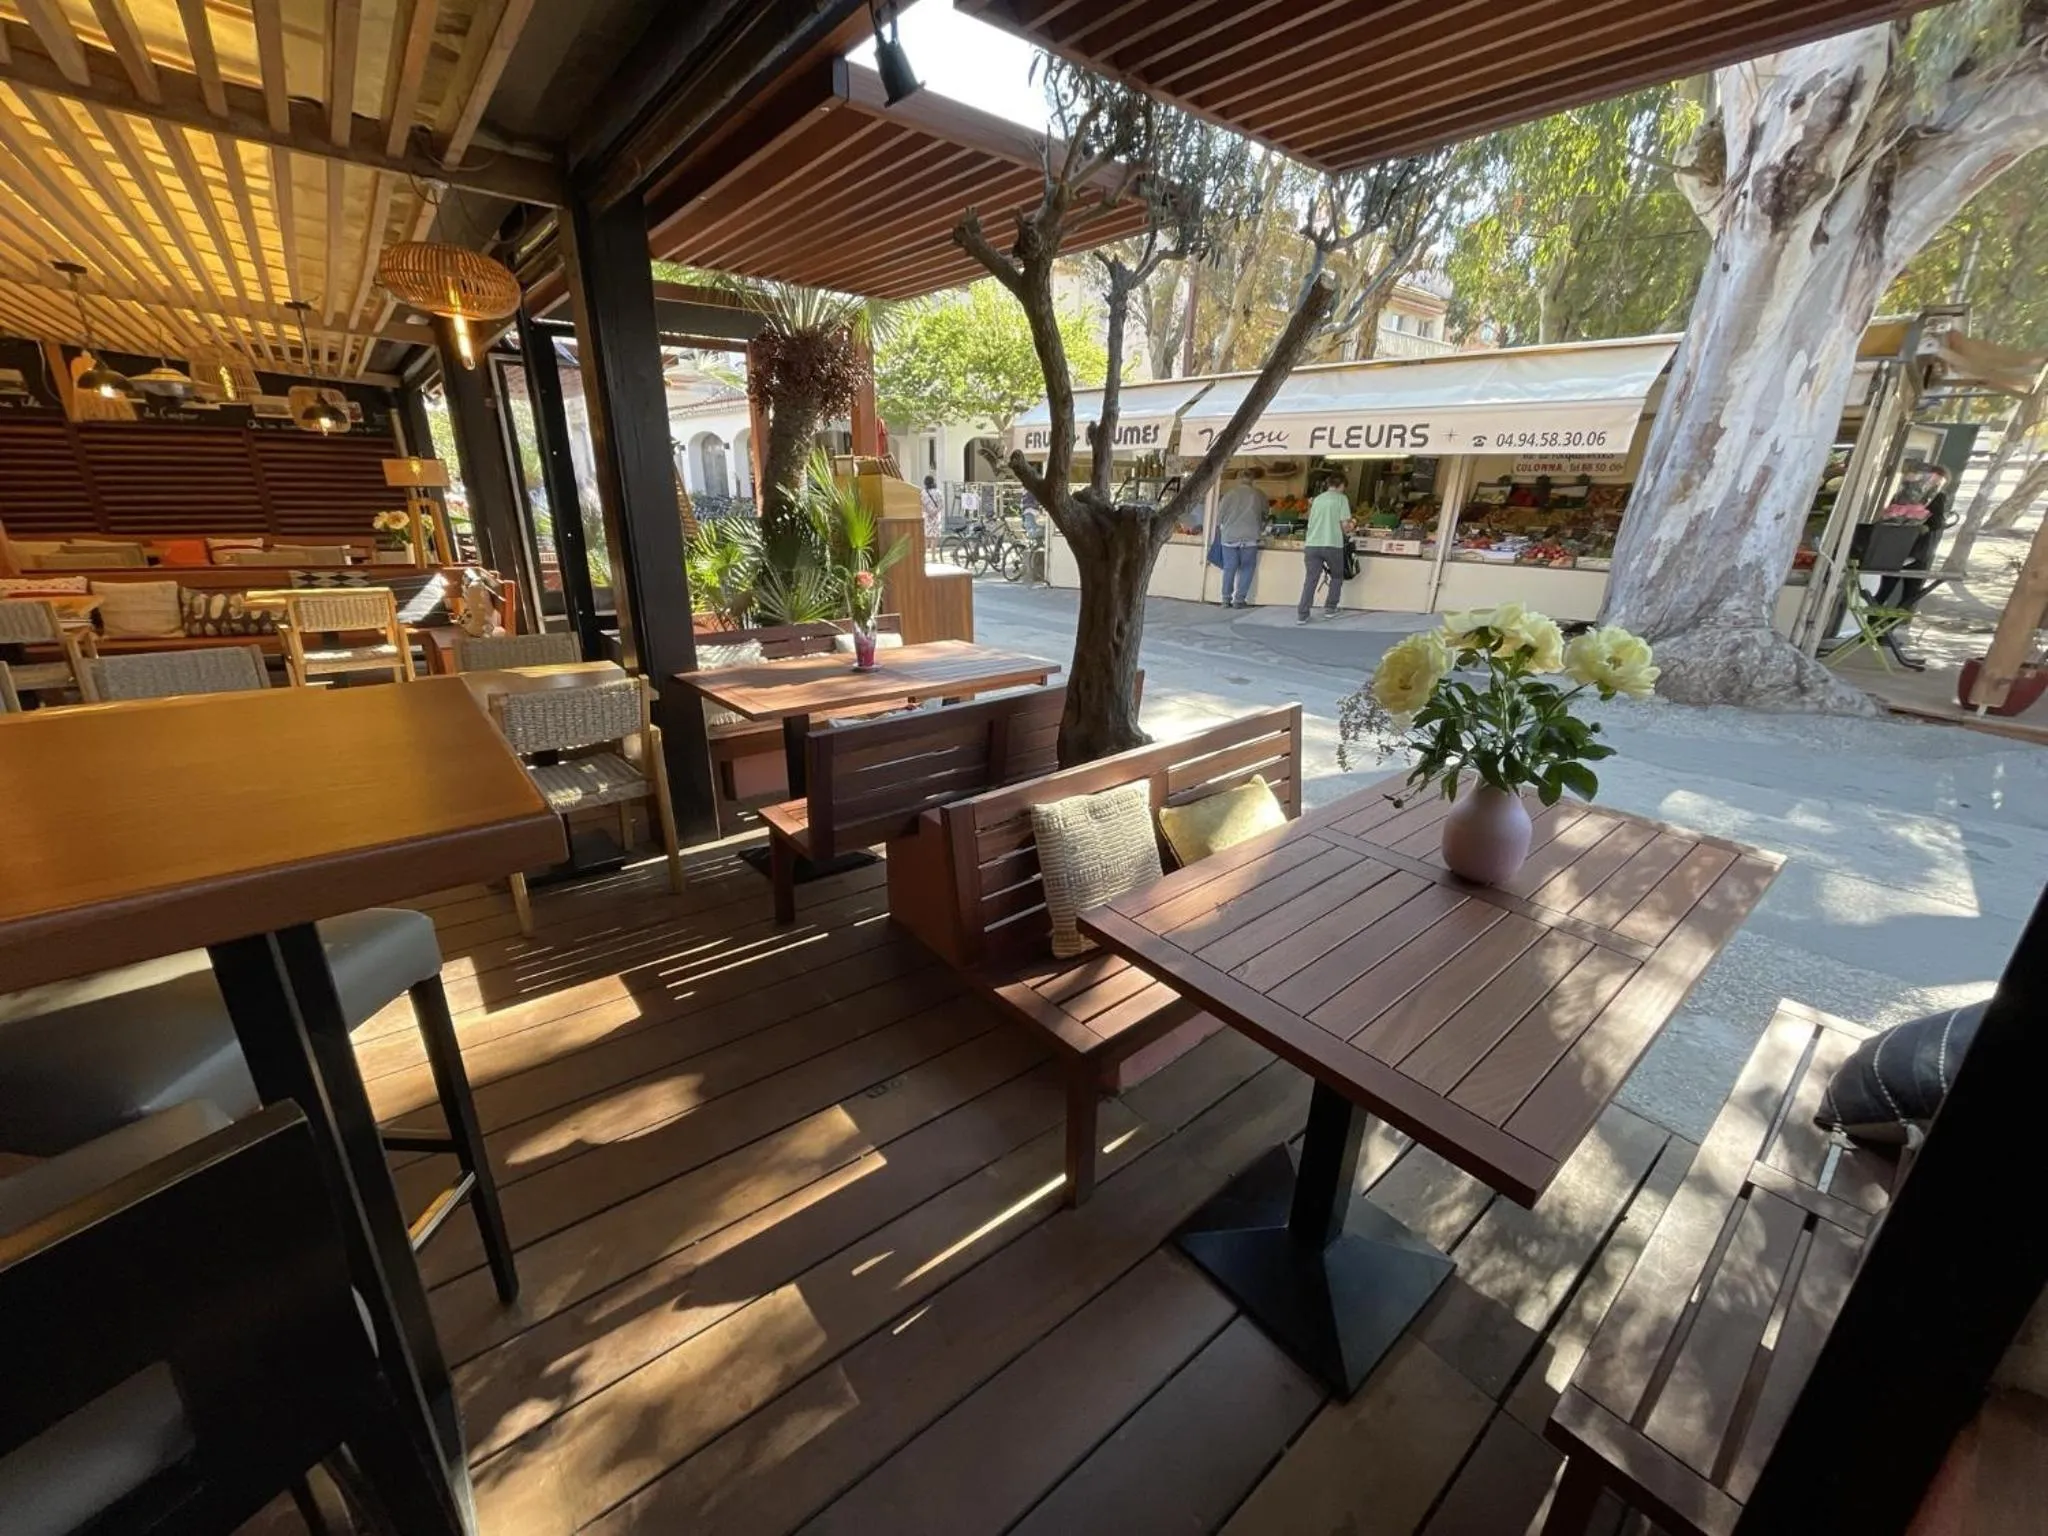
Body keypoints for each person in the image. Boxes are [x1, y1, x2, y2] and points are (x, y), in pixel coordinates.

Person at [1297, 472, 1354, 623]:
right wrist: (1352, 525)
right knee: (1337, 576)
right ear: (1341, 485)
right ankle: (1330, 608)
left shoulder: (1317, 499)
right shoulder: (1341, 499)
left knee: (1311, 579)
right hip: (1332, 544)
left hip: (1312, 544)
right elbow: (1344, 526)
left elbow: (1310, 519)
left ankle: (1302, 614)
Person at [1214, 467, 1268, 609]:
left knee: (1229, 568)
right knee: (1247, 568)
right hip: (1250, 536)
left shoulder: (1229, 494)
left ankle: (1225, 599)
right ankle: (1239, 600)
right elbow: (1265, 515)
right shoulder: (1259, 495)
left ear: (1239, 479)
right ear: (1252, 479)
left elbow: (1219, 518)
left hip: (1230, 537)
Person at [920, 474, 944, 540]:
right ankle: (933, 547)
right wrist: (935, 512)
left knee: (926, 534)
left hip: (926, 515)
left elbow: (921, 504)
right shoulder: (938, 492)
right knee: (935, 535)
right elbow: (941, 504)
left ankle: (927, 546)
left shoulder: (923, 492)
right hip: (936, 516)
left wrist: (928, 512)